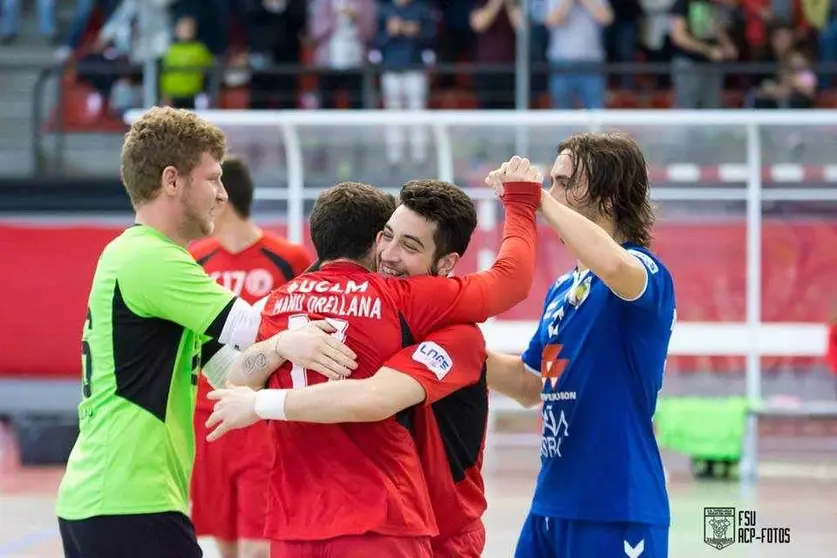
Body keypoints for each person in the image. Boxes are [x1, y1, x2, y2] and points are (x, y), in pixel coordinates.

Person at [207, 161, 542, 557]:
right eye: (387, 237)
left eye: (410, 245)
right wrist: (279, 346)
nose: (389, 255)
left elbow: (522, 383)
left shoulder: (452, 332)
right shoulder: (392, 301)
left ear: (447, 265)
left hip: (436, 531)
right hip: (373, 522)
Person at [53, 107, 340, 558]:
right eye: (212, 179)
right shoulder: (151, 257)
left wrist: (280, 372)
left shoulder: (146, 257)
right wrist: (334, 296)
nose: (223, 195)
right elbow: (254, 328)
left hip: (120, 499)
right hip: (127, 500)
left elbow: (232, 374)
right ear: (172, 180)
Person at [485, 133, 675, 557]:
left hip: (617, 511)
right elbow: (527, 384)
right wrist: (440, 344)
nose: (552, 192)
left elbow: (613, 264)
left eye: (564, 182)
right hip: (549, 508)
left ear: (608, 197)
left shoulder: (645, 272)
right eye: (550, 183)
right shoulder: (561, 290)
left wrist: (536, 199)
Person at [189, 156, 312, 558]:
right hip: (208, 413)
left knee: (258, 545)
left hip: (261, 416)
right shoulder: (195, 259)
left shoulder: (288, 258)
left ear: (222, 197)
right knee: (222, 539)